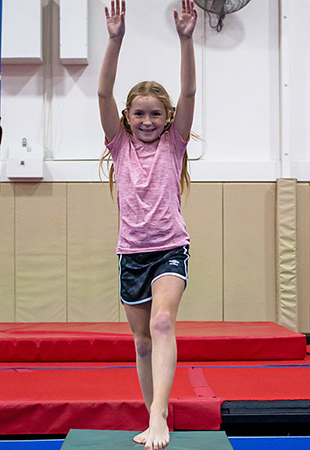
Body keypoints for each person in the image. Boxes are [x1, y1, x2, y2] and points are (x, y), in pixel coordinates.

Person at [97, 1, 197, 449]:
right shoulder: (119, 145)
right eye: (139, 113)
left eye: (156, 114)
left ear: (168, 119)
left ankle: (160, 417)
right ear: (127, 118)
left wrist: (186, 39)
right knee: (140, 343)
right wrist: (115, 41)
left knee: (161, 324)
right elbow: (102, 95)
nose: (147, 121)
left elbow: (190, 95)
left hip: (170, 246)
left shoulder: (174, 145)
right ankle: (149, 416)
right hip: (131, 252)